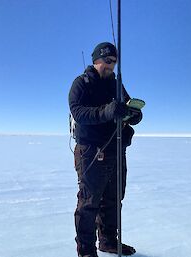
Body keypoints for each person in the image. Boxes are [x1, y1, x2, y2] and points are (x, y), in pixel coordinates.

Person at [68, 42, 143, 257]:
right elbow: (78, 112)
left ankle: (108, 241)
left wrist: (134, 114)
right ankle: (86, 251)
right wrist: (108, 111)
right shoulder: (81, 83)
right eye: (108, 62)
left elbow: (127, 105)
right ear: (97, 60)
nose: (111, 66)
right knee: (89, 201)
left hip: (115, 149)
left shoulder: (115, 83)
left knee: (114, 197)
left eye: (114, 63)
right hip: (91, 151)